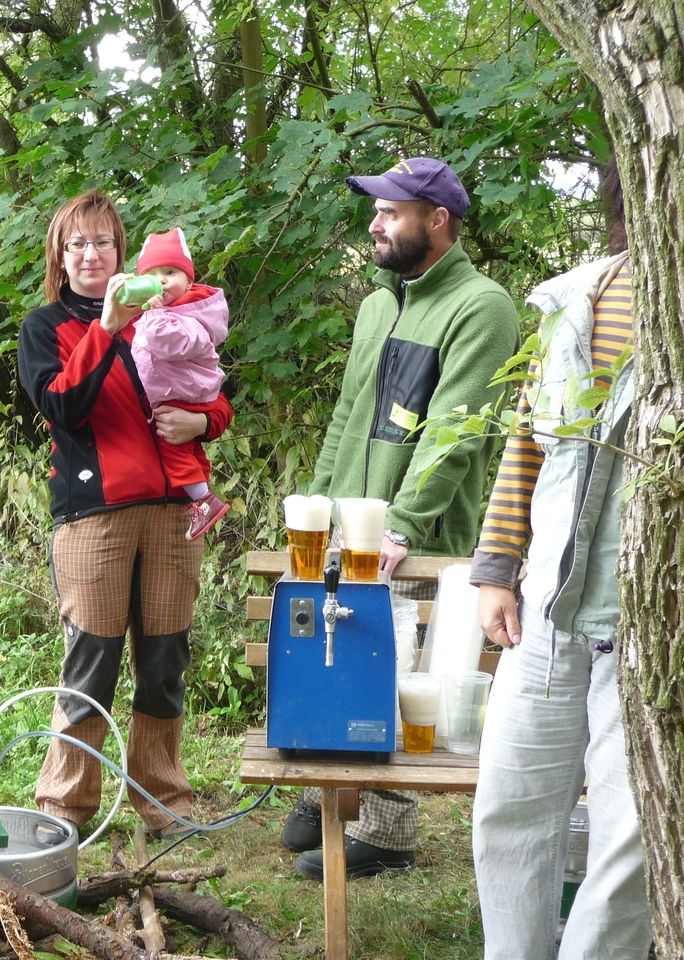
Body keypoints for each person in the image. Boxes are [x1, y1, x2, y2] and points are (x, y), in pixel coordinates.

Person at [280, 157, 519, 881]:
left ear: (436, 220)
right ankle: (336, 793)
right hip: (346, 528)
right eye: (374, 211)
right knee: (335, 656)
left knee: (393, 668)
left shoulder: (483, 306)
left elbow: (456, 430)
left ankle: (388, 832)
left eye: (390, 211)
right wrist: (316, 510)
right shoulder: (378, 305)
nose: (375, 223)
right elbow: (348, 418)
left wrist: (402, 526)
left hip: (417, 537)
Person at [471, 164, 652, 960]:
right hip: (543, 610)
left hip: (656, 626)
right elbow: (525, 442)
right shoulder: (573, 298)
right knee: (506, 813)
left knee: (632, 838)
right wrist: (496, 565)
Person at [17, 191, 233, 838]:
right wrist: (105, 328)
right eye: (77, 244)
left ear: (121, 251)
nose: (91, 254)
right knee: (93, 661)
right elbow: (61, 407)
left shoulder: (164, 316)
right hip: (94, 515)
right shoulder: (45, 326)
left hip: (174, 516)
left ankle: (164, 801)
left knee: (165, 660)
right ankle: (64, 808)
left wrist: (203, 421)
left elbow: (212, 391)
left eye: (103, 242)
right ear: (60, 256)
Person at [127, 228, 230, 541]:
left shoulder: (187, 316)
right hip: (181, 395)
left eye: (170, 272)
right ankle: (200, 497)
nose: (161, 281)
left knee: (171, 447)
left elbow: (175, 343)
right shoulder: (165, 313)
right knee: (189, 452)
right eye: (152, 275)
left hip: (182, 398)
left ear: (188, 280)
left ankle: (204, 501)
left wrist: (155, 315)